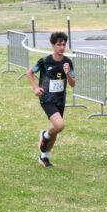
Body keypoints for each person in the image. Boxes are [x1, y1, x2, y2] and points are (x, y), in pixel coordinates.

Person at [28, 32, 75, 168]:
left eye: (64, 45)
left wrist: (68, 74)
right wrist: (35, 88)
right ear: (53, 45)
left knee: (56, 129)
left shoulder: (68, 62)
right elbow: (30, 72)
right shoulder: (45, 61)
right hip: (46, 98)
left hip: (60, 100)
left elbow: (72, 84)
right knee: (59, 125)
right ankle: (45, 135)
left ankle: (44, 157)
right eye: (59, 44)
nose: (62, 47)